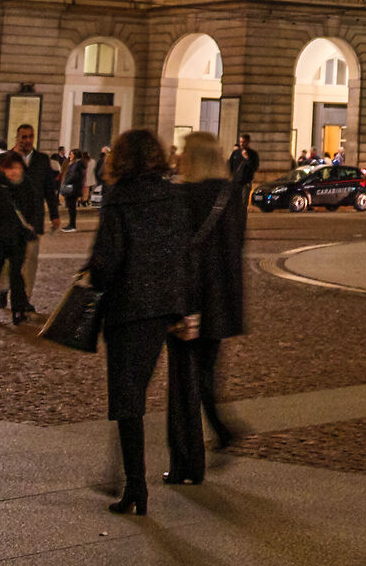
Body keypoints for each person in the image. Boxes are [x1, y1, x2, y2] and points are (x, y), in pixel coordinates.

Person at [88, 128, 189, 515]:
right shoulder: (174, 195)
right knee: (135, 392)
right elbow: (183, 251)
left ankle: (135, 487)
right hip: (164, 305)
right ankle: (132, 484)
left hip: (128, 308)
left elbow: (106, 259)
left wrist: (91, 276)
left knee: (128, 399)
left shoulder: (120, 197)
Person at [164, 131, 247, 484]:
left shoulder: (181, 195)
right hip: (220, 302)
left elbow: (176, 251)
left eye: (183, 151)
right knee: (203, 376)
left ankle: (186, 463)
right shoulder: (231, 198)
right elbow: (233, 251)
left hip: (188, 301)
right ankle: (220, 430)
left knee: (182, 384)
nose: (178, 156)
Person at [0, 150, 37, 323]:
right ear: (4, 169)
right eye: (10, 168)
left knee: (16, 274)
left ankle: (18, 310)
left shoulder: (27, 187)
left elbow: (32, 210)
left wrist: (27, 228)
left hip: (18, 238)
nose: (14, 171)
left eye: (17, 167)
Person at [11, 123, 58, 309]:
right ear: (17, 138)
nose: (27, 140)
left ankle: (25, 298)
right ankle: (5, 289)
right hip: (12, 218)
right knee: (11, 260)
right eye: (23, 137)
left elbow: (49, 190)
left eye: (30, 136)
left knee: (30, 260)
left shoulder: (42, 160)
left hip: (34, 219)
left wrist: (54, 215)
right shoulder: (9, 158)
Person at [61, 150, 89, 231]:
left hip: (73, 188)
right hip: (72, 187)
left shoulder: (77, 164)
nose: (70, 156)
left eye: (72, 154)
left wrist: (66, 181)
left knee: (72, 207)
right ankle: (71, 224)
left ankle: (72, 225)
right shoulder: (74, 164)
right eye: (70, 154)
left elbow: (74, 176)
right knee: (70, 207)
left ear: (76, 155)